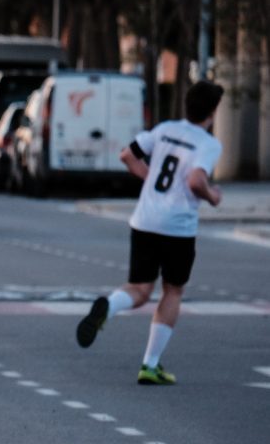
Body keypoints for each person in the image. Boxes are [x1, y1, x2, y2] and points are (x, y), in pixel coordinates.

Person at [75, 80, 224, 385]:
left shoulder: (165, 129)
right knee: (172, 290)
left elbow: (127, 155)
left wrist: (150, 178)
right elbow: (196, 180)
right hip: (177, 227)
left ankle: (109, 307)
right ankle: (150, 364)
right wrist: (213, 196)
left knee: (140, 288)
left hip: (145, 220)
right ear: (212, 112)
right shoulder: (208, 143)